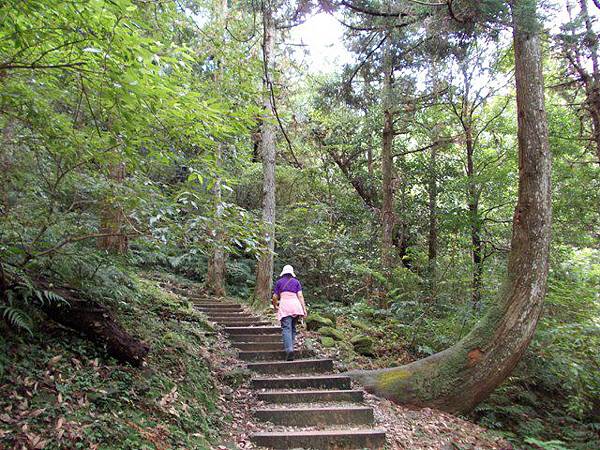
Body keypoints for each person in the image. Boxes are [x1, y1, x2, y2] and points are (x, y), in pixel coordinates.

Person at [272, 265, 307, 361]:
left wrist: (275, 306)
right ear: (292, 273)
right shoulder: (296, 282)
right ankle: (291, 347)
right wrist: (304, 309)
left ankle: (289, 349)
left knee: (286, 328)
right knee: (293, 328)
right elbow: (300, 296)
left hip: (285, 306)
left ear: (283, 272)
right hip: (296, 306)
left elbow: (275, 297)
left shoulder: (279, 282)